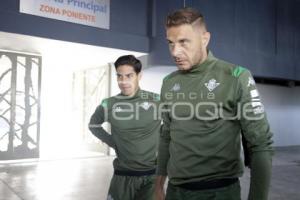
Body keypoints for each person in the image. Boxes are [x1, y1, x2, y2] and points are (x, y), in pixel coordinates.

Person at [155, 7, 273, 200]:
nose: (175, 51)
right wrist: (158, 184)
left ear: (204, 39)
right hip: (175, 192)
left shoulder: (236, 76)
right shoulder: (169, 83)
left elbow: (261, 145)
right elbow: (166, 135)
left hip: (218, 193)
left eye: (184, 42)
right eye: (170, 43)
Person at [89, 55, 160, 200]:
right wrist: (113, 142)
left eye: (129, 76)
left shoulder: (156, 100)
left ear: (139, 76)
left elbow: (174, 124)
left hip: (152, 176)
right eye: (119, 76)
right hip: (122, 176)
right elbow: (93, 125)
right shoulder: (108, 104)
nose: (123, 81)